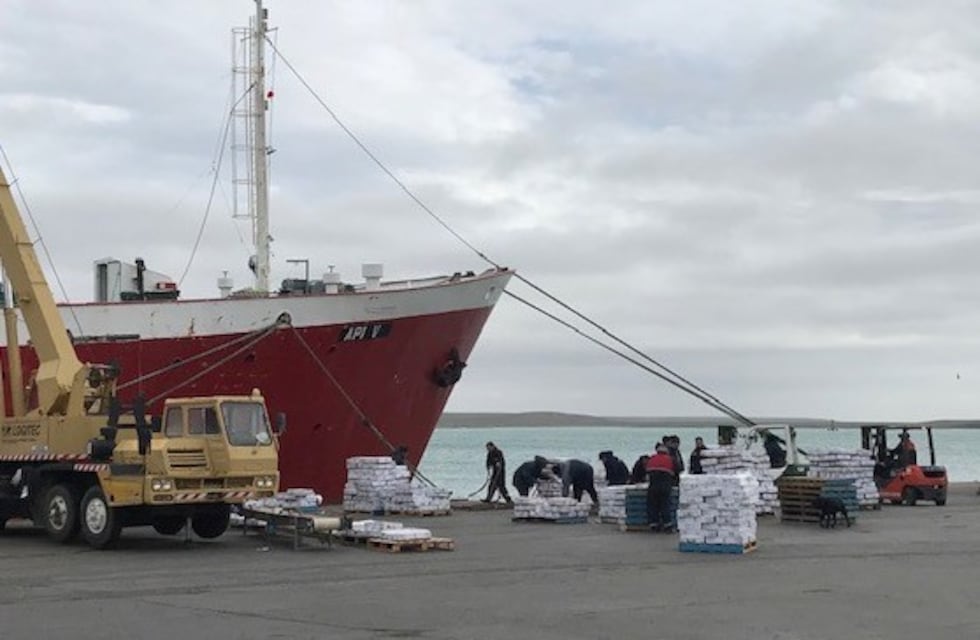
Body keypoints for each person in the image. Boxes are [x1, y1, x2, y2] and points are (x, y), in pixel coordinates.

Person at [645, 444, 676, 532]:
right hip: (665, 486)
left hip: (653, 486)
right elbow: (676, 471)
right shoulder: (670, 460)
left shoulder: (652, 459)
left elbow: (647, 472)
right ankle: (667, 525)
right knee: (665, 505)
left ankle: (654, 524)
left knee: (652, 505)